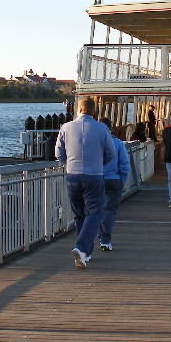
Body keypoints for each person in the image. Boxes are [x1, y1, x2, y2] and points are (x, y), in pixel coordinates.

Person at [55, 96, 115, 269]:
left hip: (72, 175)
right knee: (95, 213)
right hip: (94, 175)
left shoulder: (66, 127)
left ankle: (85, 254)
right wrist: (99, 163)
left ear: (79, 109)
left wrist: (69, 163)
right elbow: (110, 153)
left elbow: (58, 153)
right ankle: (81, 248)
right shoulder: (102, 128)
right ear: (94, 111)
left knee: (79, 214)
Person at [97, 117, 130, 251]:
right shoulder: (117, 143)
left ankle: (92, 239)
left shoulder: (92, 143)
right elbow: (124, 165)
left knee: (94, 209)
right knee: (109, 210)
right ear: (111, 128)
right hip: (113, 179)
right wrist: (121, 181)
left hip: (95, 179)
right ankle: (105, 240)